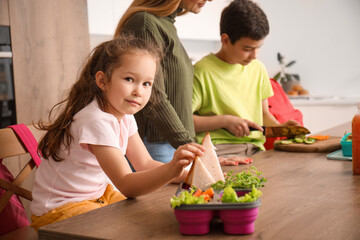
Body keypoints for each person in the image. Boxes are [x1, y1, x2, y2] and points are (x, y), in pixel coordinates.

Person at [30, 35, 205, 231]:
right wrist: (170, 168)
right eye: (130, 79)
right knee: (133, 226)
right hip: (58, 211)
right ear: (102, 81)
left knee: (146, 217)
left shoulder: (124, 115)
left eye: (147, 83)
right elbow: (126, 184)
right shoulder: (95, 120)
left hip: (96, 196)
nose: (139, 91)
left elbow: (144, 164)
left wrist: (187, 174)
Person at [192, 0, 300, 165]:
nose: (254, 56)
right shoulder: (202, 71)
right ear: (225, 40)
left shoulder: (258, 69)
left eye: (258, 47)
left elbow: (264, 115)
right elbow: (186, 122)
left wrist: (280, 127)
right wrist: (225, 120)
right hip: (219, 151)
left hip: (256, 149)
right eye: (247, 49)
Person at [113, 0, 213, 163]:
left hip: (174, 144)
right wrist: (189, 144)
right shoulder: (145, 23)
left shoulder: (165, 24)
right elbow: (153, 95)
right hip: (157, 145)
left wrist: (190, 144)